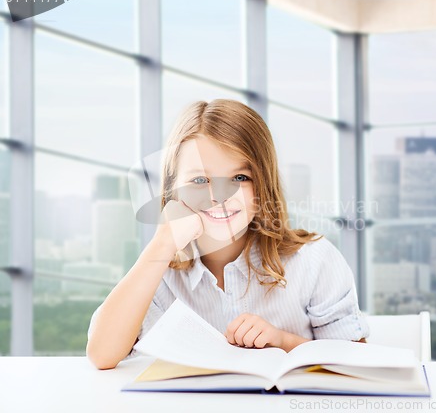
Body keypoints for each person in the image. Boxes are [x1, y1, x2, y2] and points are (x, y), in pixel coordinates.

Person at [86, 99, 369, 370]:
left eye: (240, 178)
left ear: (263, 185)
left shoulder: (314, 260)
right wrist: (161, 244)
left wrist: (282, 342)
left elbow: (357, 362)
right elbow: (102, 355)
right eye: (199, 180)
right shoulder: (160, 272)